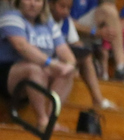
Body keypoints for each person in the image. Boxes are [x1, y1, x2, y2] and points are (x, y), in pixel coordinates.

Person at [0, 0, 76, 132]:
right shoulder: (11, 17)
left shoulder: (48, 23)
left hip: (40, 74)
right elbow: (22, 47)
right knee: (34, 68)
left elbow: (64, 50)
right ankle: (42, 120)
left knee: (67, 72)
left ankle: (51, 119)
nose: (33, 4)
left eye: (37, 0)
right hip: (8, 73)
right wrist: (51, 63)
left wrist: (70, 64)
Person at [48, 0, 111, 111]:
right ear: (50, 4)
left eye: (68, 8)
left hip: (63, 59)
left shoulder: (67, 21)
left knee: (86, 57)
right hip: (48, 58)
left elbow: (76, 42)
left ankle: (98, 99)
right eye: (62, 7)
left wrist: (80, 51)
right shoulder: (44, 20)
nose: (66, 11)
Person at [70, 0, 124, 84]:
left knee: (110, 9)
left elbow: (109, 5)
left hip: (89, 30)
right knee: (108, 10)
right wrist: (95, 32)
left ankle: (121, 67)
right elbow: (66, 21)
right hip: (70, 32)